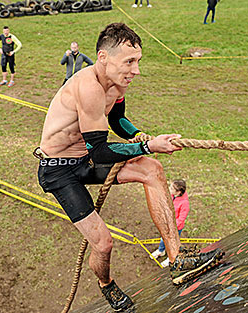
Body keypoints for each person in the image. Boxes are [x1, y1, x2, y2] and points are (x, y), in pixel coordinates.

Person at [35, 23, 224, 312]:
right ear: (103, 58)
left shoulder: (118, 83)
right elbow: (99, 150)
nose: (136, 70)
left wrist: (138, 136)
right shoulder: (87, 87)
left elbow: (117, 120)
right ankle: (106, 284)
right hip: (59, 170)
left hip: (85, 160)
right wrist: (149, 145)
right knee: (103, 244)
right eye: (129, 62)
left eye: (137, 61)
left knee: (152, 169)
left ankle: (177, 260)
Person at [150, 179, 190, 267]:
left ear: (178, 192)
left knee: (172, 243)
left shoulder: (184, 203)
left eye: (172, 188)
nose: (169, 189)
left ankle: (171, 257)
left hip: (175, 227)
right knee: (163, 238)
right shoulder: (172, 195)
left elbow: (181, 218)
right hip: (167, 223)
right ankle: (161, 251)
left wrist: (173, 227)